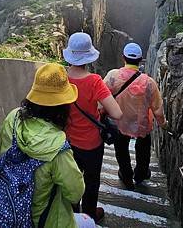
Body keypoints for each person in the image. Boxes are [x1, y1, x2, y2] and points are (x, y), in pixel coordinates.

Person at [0, 63, 96, 228]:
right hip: (46, 220)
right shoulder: (57, 147)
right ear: (63, 106)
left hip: (9, 210)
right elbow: (75, 193)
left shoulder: (13, 118)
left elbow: (3, 154)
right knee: (89, 222)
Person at [63, 32, 123, 223]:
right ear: (89, 56)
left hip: (66, 143)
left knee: (71, 181)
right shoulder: (94, 81)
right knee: (91, 181)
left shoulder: (62, 79)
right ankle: (88, 217)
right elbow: (117, 113)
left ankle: (72, 215)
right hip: (91, 144)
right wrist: (98, 106)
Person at [104, 42, 167, 189]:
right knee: (143, 148)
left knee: (121, 149)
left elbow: (102, 97)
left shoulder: (112, 76)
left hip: (119, 122)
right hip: (141, 123)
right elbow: (157, 109)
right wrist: (163, 124)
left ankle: (126, 175)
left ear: (123, 58)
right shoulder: (149, 83)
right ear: (140, 60)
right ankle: (141, 173)